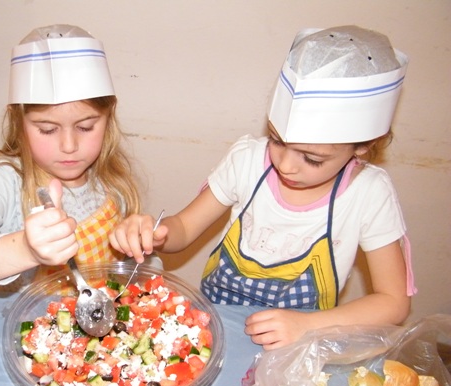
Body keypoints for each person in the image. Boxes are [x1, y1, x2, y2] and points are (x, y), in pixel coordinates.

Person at [110, 25, 416, 350]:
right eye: (276, 140)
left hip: (300, 340)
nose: (285, 164)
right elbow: (184, 227)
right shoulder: (247, 160)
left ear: (362, 147)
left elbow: (393, 302)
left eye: (312, 159)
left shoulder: (369, 194)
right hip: (217, 324)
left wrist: (307, 325)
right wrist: (155, 232)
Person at [0, 24, 142, 291]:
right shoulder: (5, 180)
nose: (69, 146)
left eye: (86, 127)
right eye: (47, 129)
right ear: (19, 123)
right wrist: (27, 250)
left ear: (108, 118)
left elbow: (127, 266)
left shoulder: (112, 181)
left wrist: (140, 244)